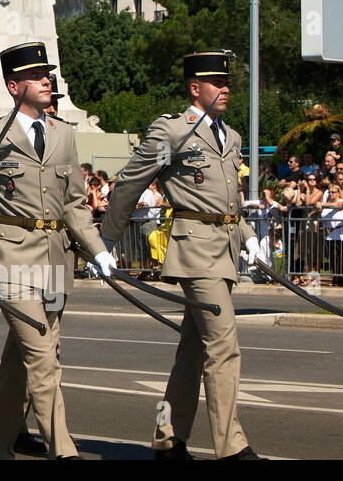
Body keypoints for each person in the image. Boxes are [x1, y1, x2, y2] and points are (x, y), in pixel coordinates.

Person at [0, 41, 116, 459]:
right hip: (6, 261)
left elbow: (72, 203)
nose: (46, 80)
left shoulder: (64, 134)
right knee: (43, 356)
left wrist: (97, 249)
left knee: (22, 363)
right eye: (35, 76)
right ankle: (63, 451)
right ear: (14, 86)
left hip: (52, 259)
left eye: (46, 74)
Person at [104, 51, 262, 460]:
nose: (225, 88)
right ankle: (232, 447)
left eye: (227, 82)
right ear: (195, 89)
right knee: (223, 347)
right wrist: (105, 241)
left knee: (192, 352)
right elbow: (130, 184)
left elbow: (227, 201)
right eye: (216, 83)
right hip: (196, 252)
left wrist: (247, 235)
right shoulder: (173, 132)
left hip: (224, 248)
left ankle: (167, 438)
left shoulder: (230, 137)